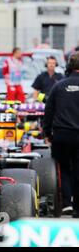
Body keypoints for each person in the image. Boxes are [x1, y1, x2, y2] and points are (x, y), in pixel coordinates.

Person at [43, 53, 79, 217]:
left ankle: (66, 203)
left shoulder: (58, 86)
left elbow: (48, 111)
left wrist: (47, 133)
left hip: (62, 135)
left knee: (64, 168)